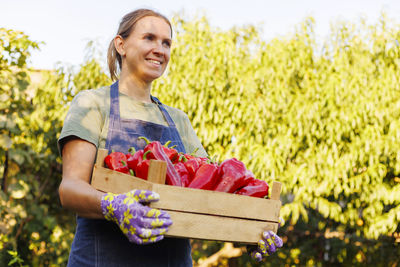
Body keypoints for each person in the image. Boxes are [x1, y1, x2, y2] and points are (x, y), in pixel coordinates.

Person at [58, 8, 282, 266]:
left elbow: (206, 201)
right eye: (149, 38)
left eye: (166, 43)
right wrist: (114, 206)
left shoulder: (178, 119)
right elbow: (70, 189)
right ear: (121, 45)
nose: (160, 49)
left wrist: (250, 230)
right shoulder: (93, 104)